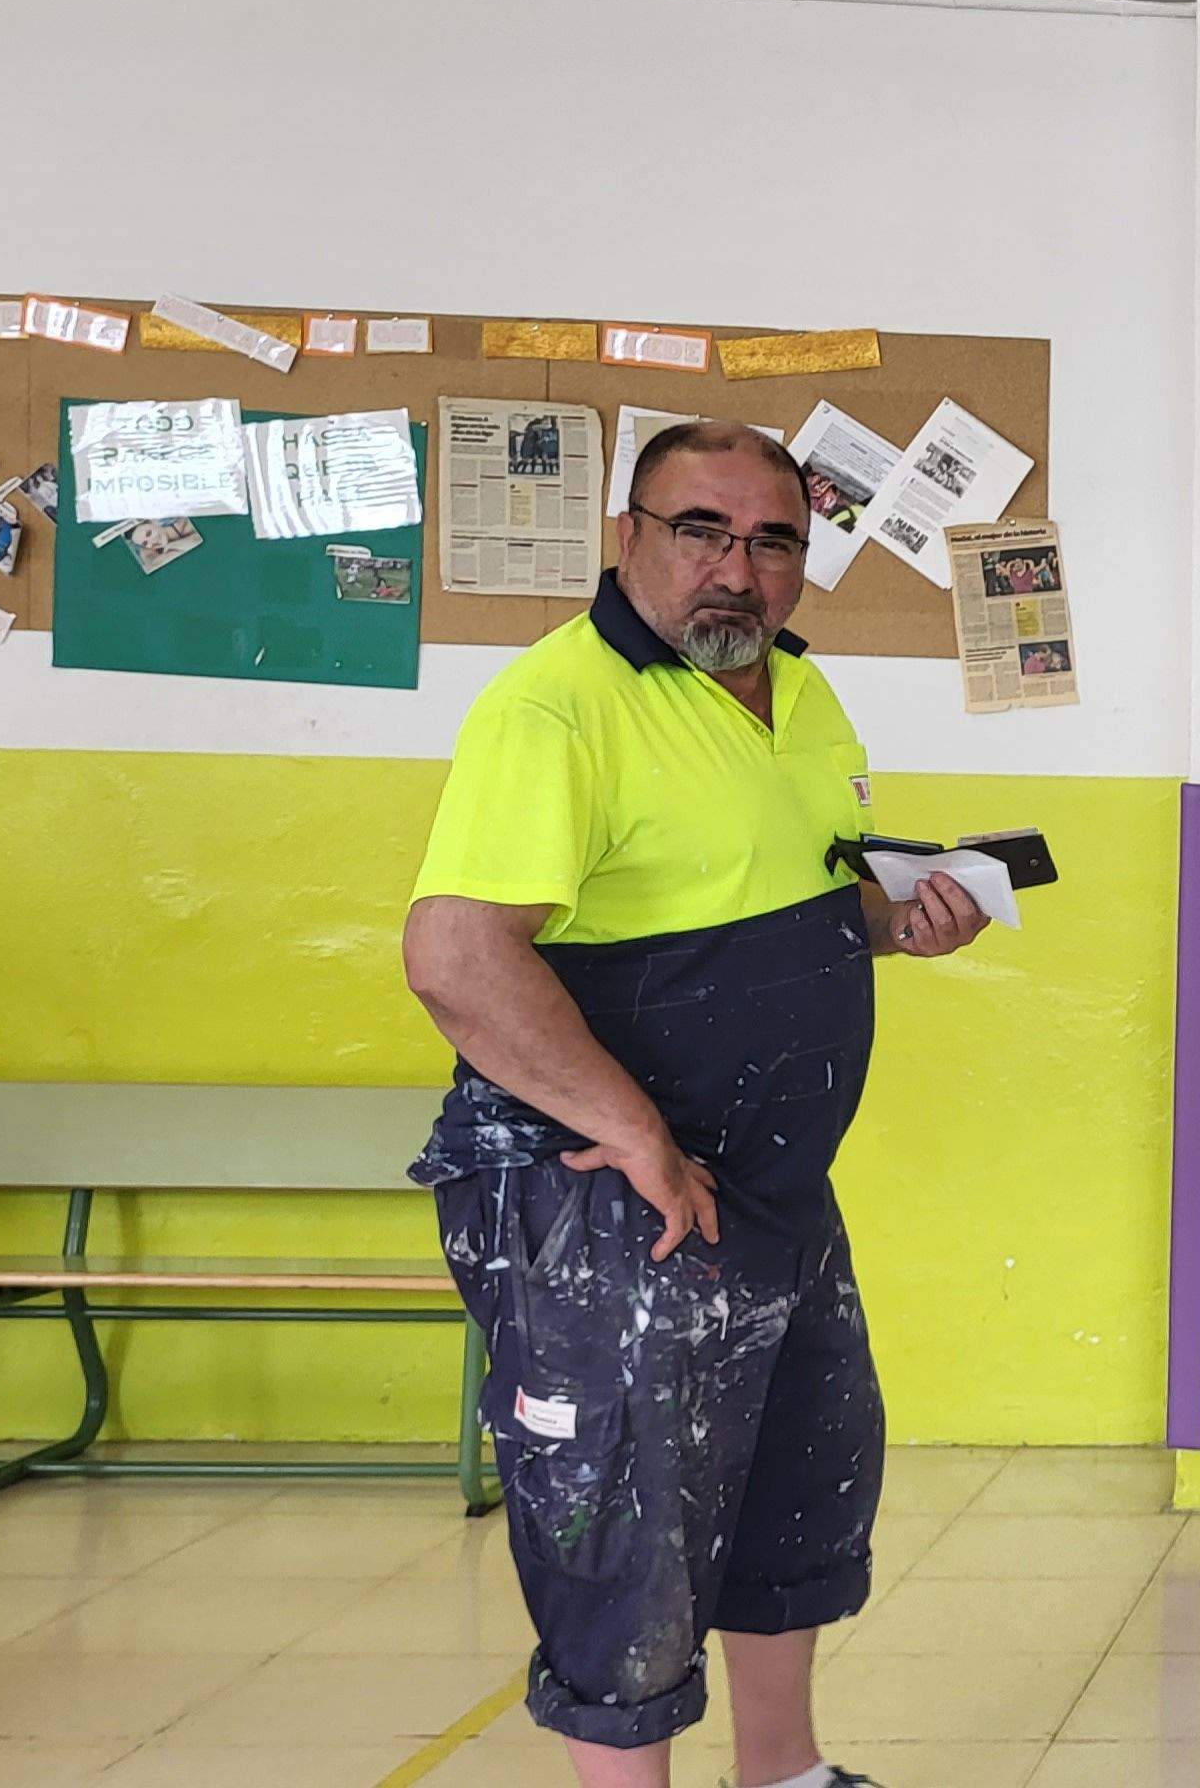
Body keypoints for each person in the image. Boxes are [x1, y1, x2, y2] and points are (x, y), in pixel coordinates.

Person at [400, 421, 991, 1788]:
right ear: (630, 537)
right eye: (701, 531)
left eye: (773, 540)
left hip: (771, 1184)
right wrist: (635, 1136)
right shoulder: (560, 707)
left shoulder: (799, 688)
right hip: (609, 1197)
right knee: (627, 1528)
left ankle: (782, 1773)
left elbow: (785, 893)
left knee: (799, 1482)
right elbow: (456, 955)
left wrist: (902, 920)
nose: (738, 568)